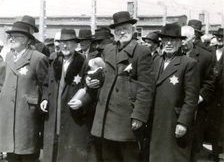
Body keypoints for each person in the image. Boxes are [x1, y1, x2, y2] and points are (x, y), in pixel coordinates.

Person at [87, 11, 155, 162]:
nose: (122, 32)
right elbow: (102, 75)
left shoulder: (141, 51)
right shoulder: (108, 49)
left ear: (133, 30)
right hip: (106, 115)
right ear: (114, 33)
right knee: (108, 157)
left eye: (125, 28)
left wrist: (139, 115)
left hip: (126, 116)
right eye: (118, 30)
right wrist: (91, 82)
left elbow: (146, 87)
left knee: (129, 157)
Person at [40, 28, 97, 162]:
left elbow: (93, 90)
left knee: (71, 155)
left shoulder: (84, 62)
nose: (65, 46)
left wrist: (82, 102)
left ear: (76, 44)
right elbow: (46, 85)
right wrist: (44, 98)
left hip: (74, 117)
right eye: (62, 43)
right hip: (55, 115)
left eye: (69, 42)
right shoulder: (55, 61)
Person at [0, 22, 49, 162]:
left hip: (26, 113)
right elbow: (2, 83)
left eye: (15, 37)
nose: (11, 39)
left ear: (25, 40)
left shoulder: (38, 58)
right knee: (11, 153)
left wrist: (43, 100)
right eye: (10, 37)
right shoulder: (8, 56)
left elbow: (46, 85)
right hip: (8, 112)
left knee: (27, 152)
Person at [150, 23, 200, 162]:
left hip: (173, 121)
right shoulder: (156, 60)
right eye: (166, 40)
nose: (169, 43)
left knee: (173, 156)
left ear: (180, 42)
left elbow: (191, 97)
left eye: (173, 40)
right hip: (155, 120)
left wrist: (183, 122)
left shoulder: (188, 63)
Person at [181, 26, 215, 161]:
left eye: (185, 39)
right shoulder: (173, 54)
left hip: (195, 107)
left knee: (193, 143)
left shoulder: (205, 56)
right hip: (174, 105)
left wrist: (198, 99)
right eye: (180, 38)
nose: (182, 42)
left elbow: (209, 83)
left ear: (193, 39)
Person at [205, 28, 224, 161]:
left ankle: (218, 151)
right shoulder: (209, 51)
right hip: (211, 94)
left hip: (223, 95)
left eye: (223, 37)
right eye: (218, 36)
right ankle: (214, 151)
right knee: (212, 123)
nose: (220, 39)